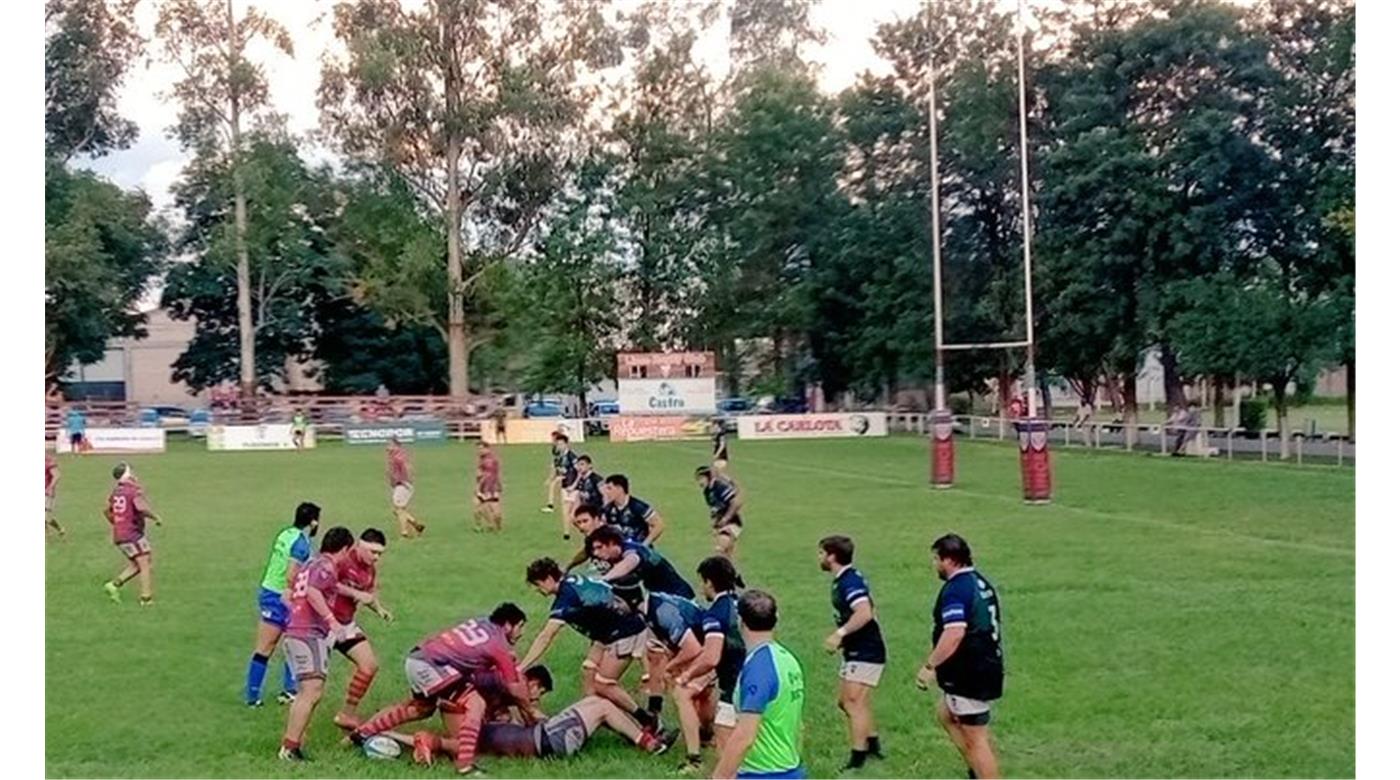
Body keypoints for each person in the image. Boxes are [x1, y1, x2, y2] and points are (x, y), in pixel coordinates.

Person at [352, 604, 535, 774]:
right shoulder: (498, 644)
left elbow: (468, 653)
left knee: (421, 709)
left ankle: (363, 733)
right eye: (521, 626)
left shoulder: (481, 621)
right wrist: (531, 712)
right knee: (476, 703)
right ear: (508, 625)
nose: (522, 633)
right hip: (434, 666)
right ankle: (465, 766)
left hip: (416, 658)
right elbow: (515, 688)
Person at [400, 665, 670, 764]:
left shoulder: (473, 735)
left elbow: (446, 740)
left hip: (547, 741)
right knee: (599, 705)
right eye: (538, 691)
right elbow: (535, 718)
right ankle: (650, 743)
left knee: (595, 703)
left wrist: (382, 735)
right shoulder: (484, 724)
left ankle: (642, 736)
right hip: (549, 741)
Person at [520, 558, 656, 731]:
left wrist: (522, 667)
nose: (538, 590)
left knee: (603, 684)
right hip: (609, 630)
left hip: (624, 632)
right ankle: (597, 717)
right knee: (588, 670)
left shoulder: (566, 597)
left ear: (548, 578)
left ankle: (647, 720)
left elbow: (546, 637)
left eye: (538, 584)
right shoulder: (573, 580)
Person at [916, 534, 1004, 780]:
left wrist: (930, 665)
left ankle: (982, 772)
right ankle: (976, 770)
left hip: (969, 673)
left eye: (937, 559)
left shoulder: (956, 590)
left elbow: (954, 633)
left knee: (976, 739)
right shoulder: (980, 582)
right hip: (985, 667)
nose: (935, 565)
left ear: (951, 560)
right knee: (946, 714)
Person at [279, 526, 356, 761]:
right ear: (343, 549)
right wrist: (331, 622)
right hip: (307, 635)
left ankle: (294, 743)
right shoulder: (326, 567)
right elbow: (313, 592)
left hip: (298, 632)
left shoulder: (310, 564)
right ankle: (289, 748)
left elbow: (287, 593)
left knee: (310, 691)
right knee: (310, 692)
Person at [712, 590, 806, 780]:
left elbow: (744, 737)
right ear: (775, 618)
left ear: (740, 621)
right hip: (790, 768)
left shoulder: (758, 668)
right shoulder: (787, 659)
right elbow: (799, 727)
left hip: (763, 774)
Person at [818, 536, 886, 771]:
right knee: (850, 700)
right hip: (858, 649)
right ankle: (873, 742)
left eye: (821, 553)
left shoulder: (849, 582)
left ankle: (859, 756)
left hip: (866, 651)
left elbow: (865, 612)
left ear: (832, 556)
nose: (819, 558)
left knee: (851, 701)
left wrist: (840, 633)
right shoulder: (847, 578)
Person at [245, 502, 321, 707]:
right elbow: (290, 575)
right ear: (313, 522)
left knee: (284, 642)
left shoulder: (285, 533)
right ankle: (275, 693)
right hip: (281, 596)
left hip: (268, 590)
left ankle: (271, 693)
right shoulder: (301, 543)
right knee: (273, 645)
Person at [675, 557, 746, 761]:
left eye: (702, 582)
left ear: (709, 582)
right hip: (753, 675)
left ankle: (695, 759)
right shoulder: (742, 603)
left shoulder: (714, 615)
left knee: (726, 745)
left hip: (733, 685)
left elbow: (711, 657)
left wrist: (687, 675)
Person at [635, 589, 709, 769]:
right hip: (709, 645)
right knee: (701, 692)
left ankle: (694, 759)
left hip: (713, 651)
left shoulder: (661, 612)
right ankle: (706, 735)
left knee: (682, 693)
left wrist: (670, 667)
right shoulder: (651, 606)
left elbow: (693, 649)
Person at [331, 528, 393, 729]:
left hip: (346, 625)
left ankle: (346, 715)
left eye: (380, 554)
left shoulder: (369, 570)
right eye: (373, 552)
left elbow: (368, 595)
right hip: (324, 623)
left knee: (369, 666)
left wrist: (380, 610)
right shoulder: (342, 559)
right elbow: (325, 582)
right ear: (359, 545)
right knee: (313, 685)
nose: (376, 558)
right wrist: (354, 594)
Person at [102, 463, 162, 605]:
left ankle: (114, 585)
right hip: (132, 533)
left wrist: (117, 523)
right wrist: (155, 517)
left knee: (138, 563)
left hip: (120, 534)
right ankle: (146, 598)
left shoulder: (116, 491)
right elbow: (141, 508)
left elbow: (106, 510)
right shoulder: (132, 491)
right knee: (145, 563)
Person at [602, 473, 665, 544]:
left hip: (636, 547)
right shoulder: (608, 509)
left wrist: (645, 543)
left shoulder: (637, 506)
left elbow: (658, 524)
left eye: (609, 488)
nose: (606, 492)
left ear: (620, 489)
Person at [697, 467, 744, 559]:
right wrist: (715, 523)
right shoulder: (707, 492)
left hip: (732, 523)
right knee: (727, 555)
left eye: (701, 478)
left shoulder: (719, 487)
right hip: (721, 525)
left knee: (720, 551)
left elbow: (736, 502)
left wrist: (726, 518)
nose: (699, 482)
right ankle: (730, 572)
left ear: (708, 477)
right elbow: (715, 508)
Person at [387, 437, 425, 538]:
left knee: (399, 509)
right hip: (399, 484)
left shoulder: (398, 457)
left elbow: (407, 467)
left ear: (396, 446)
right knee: (398, 510)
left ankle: (404, 532)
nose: (387, 447)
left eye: (390, 445)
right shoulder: (395, 455)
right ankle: (416, 525)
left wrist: (406, 481)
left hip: (402, 484)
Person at [474, 440, 503, 532]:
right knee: (478, 506)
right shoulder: (484, 458)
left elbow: (486, 474)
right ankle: (485, 526)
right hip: (489, 485)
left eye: (481, 448)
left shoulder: (489, 460)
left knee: (489, 507)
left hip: (488, 486)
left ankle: (494, 526)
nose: (479, 451)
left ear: (487, 448)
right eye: (478, 449)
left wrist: (480, 484)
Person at [45, 452, 65, 538]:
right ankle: (47, 535)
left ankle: (60, 529)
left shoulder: (48, 461)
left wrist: (50, 487)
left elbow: (57, 475)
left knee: (46, 517)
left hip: (46, 493)